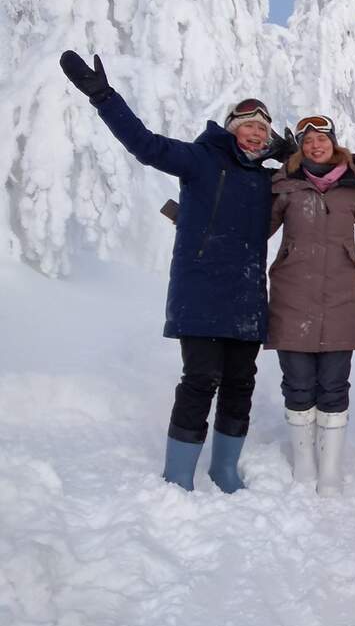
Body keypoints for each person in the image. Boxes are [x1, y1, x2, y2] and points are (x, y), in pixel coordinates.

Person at [59, 50, 289, 493]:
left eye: (263, 128)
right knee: (201, 380)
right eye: (247, 126)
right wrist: (105, 98)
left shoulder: (269, 179)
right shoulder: (199, 159)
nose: (256, 134)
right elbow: (145, 145)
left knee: (241, 384)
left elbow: (331, 170)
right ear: (231, 130)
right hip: (200, 293)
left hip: (245, 299)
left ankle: (224, 470)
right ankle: (178, 474)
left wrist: (294, 153)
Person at [267, 115, 355, 497]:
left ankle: (329, 469)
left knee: (333, 384)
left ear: (334, 143)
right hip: (292, 296)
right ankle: (304, 462)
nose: (315, 145)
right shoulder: (285, 186)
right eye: (307, 140)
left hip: (340, 298)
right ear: (299, 147)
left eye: (321, 138)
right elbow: (253, 226)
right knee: (297, 384)